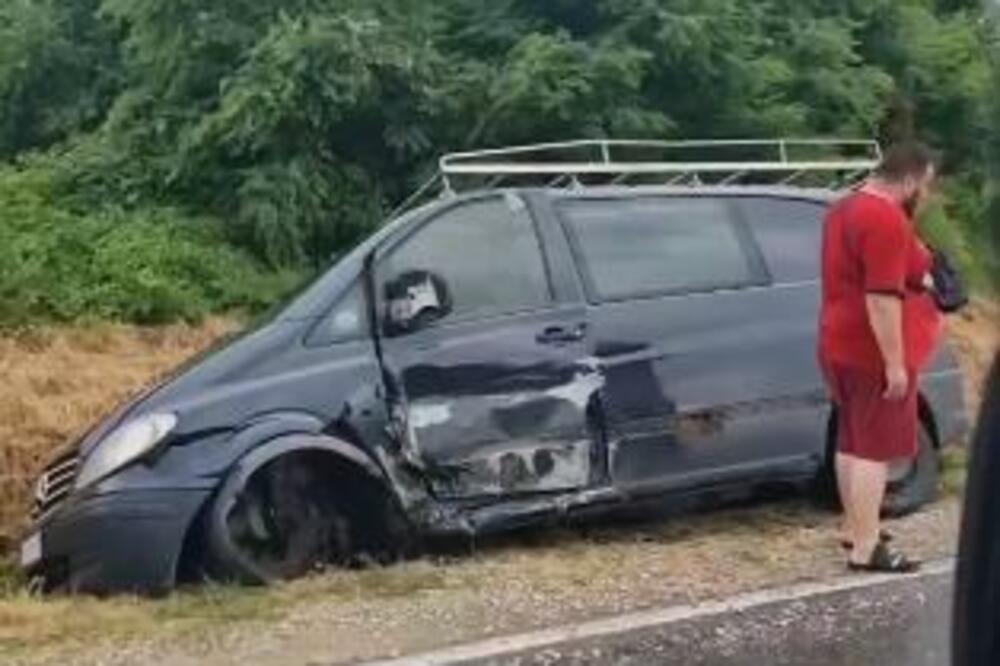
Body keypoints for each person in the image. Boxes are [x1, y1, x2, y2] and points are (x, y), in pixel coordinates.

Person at [818, 141, 942, 573]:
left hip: (836, 339)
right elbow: (882, 299)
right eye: (923, 185)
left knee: (851, 439)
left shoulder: (843, 209)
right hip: (870, 348)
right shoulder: (885, 218)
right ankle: (867, 547)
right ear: (910, 179)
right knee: (875, 448)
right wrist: (894, 361)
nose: (923, 195)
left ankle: (855, 527)